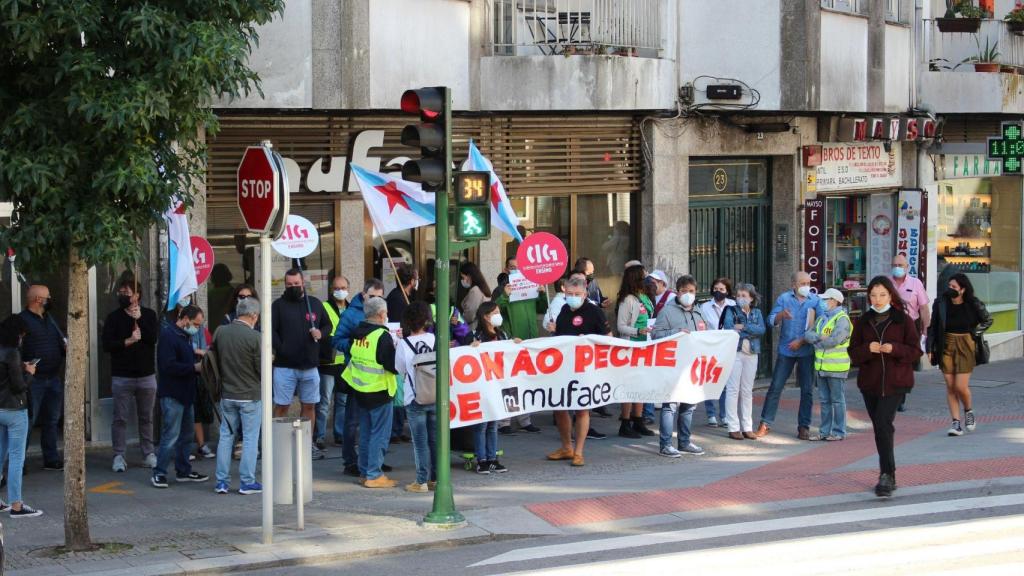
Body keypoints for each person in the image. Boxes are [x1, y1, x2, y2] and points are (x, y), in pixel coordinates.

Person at [849, 276, 921, 498]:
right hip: (870, 384)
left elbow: (916, 352)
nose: (877, 299)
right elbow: (853, 353)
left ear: (891, 295)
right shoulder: (864, 321)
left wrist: (895, 349)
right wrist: (867, 349)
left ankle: (887, 475)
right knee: (881, 427)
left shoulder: (903, 320)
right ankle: (888, 473)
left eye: (882, 295)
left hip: (895, 383)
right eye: (873, 295)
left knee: (883, 424)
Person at [548, 277, 611, 467]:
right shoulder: (564, 310)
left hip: (585, 368)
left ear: (585, 294)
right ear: (564, 293)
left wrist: (589, 339)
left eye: (577, 295)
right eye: (569, 294)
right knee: (559, 408)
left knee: (582, 409)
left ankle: (579, 452)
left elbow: (609, 338)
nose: (573, 297)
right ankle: (566, 447)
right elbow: (561, 339)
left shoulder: (595, 312)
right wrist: (555, 330)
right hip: (563, 367)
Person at [271, 268, 331, 459]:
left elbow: (327, 325)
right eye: (289, 284)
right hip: (284, 367)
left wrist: (321, 333)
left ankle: (307, 442)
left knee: (309, 406)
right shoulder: (278, 305)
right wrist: (282, 348)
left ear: (303, 283)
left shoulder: (314, 303)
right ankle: (276, 442)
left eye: (296, 284)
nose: (293, 287)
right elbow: (271, 331)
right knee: (281, 405)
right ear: (285, 284)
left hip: (310, 366)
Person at [102, 277, 160, 472]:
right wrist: (127, 340)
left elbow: (153, 338)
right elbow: (107, 345)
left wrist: (139, 318)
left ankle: (148, 452)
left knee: (146, 417)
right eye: (121, 292)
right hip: (122, 375)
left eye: (128, 292)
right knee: (120, 418)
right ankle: (119, 455)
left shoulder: (149, 315)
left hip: (146, 375)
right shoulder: (113, 318)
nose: (124, 296)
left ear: (137, 295)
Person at [756, 271, 822, 440]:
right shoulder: (784, 299)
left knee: (807, 390)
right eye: (802, 284)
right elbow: (770, 320)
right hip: (786, 351)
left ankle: (804, 427)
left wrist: (802, 341)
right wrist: (781, 315)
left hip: (806, 351)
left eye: (808, 283)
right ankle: (765, 423)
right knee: (776, 387)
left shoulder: (815, 300)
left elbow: (821, 325)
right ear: (794, 285)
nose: (806, 287)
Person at [342, 296, 399, 488]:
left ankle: (365, 471)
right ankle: (374, 475)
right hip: (379, 390)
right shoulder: (381, 336)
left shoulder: (357, 333)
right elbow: (392, 365)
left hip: (360, 389)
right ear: (382, 314)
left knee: (366, 433)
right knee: (379, 435)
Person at [927, 273, 992, 436]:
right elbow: (933, 326)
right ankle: (955, 424)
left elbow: (988, 320)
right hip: (946, 344)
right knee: (950, 386)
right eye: (949, 286)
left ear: (962, 289)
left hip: (966, 344)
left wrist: (974, 333)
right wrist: (929, 348)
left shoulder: (973, 303)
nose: (950, 290)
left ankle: (968, 411)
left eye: (954, 287)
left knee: (960, 386)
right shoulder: (941, 303)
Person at [152, 305, 209, 488]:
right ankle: (159, 472)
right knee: (171, 435)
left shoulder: (185, 336)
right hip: (172, 394)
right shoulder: (169, 336)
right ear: (184, 319)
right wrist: (193, 368)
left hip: (186, 394)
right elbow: (167, 366)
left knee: (186, 435)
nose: (197, 328)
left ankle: (183, 470)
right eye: (195, 324)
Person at [333, 279, 385, 476]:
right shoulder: (351, 314)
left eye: (379, 297)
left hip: (378, 376)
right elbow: (337, 340)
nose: (376, 301)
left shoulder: (382, 312)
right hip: (356, 374)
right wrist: (355, 346)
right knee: (353, 421)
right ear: (363, 295)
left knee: (374, 422)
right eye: (372, 297)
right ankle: (350, 461)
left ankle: (374, 460)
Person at [212, 297, 263, 495]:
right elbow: (261, 369)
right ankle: (247, 481)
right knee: (250, 438)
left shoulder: (220, 332)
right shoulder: (255, 337)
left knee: (226, 436)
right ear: (253, 316)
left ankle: (221, 482)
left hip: (227, 393)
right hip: (250, 395)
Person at [652, 275, 706, 457]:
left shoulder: (699, 313)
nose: (688, 295)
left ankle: (684, 442)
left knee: (689, 405)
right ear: (677, 292)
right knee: (670, 405)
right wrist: (676, 333)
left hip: (692, 366)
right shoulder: (667, 312)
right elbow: (656, 335)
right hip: (672, 365)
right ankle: (666, 444)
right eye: (684, 291)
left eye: (691, 291)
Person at [0, 314, 43, 517]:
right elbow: (19, 386)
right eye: (22, 335)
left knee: (0, 454)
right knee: (17, 457)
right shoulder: (12, 353)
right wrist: (30, 373)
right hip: (15, 410)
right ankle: (16, 505)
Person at [494, 258, 542, 435]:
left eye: (519, 267)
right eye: (513, 267)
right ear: (506, 269)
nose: (516, 270)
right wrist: (505, 295)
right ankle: (504, 421)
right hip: (511, 342)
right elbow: (494, 312)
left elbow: (542, 307)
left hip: (530, 341)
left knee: (525, 381)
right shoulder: (501, 289)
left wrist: (542, 293)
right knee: (509, 381)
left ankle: (524, 420)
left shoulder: (530, 286)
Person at [20, 284, 65, 470]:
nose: (50, 299)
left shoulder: (49, 319)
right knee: (28, 421)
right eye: (48, 297)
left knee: (52, 420)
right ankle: (19, 462)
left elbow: (57, 341)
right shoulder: (21, 321)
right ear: (38, 300)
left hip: (53, 377)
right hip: (34, 380)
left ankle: (51, 458)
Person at [469, 302, 517, 474]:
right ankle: (481, 459)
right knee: (482, 425)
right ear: (485, 316)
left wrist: (515, 344)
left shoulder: (502, 334)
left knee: (493, 423)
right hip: (482, 385)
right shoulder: (477, 335)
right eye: (495, 312)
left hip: (498, 385)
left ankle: (493, 459)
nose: (498, 315)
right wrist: (471, 348)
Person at [395, 302, 436, 493]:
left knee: (420, 442)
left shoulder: (404, 344)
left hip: (415, 398)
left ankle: (421, 481)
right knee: (435, 440)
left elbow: (400, 369)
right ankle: (436, 479)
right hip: (435, 395)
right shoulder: (435, 339)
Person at [804, 288, 851, 441]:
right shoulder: (822, 318)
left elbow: (835, 340)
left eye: (826, 299)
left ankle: (838, 432)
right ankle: (824, 431)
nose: (823, 302)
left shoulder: (842, 319)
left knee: (837, 401)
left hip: (837, 367)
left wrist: (817, 342)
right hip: (821, 367)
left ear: (835, 301)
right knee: (824, 401)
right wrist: (819, 337)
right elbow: (808, 335)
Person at [615, 264, 656, 439]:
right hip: (631, 345)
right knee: (629, 385)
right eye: (643, 275)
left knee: (642, 383)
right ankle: (625, 422)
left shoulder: (644, 297)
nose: (647, 277)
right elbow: (621, 326)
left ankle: (638, 420)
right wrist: (637, 331)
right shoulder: (628, 300)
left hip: (645, 344)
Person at [721, 283, 766, 440]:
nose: (740, 298)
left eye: (744, 296)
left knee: (747, 391)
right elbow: (729, 329)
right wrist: (747, 330)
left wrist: (743, 327)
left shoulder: (757, 312)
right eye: (738, 295)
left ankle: (747, 427)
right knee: (733, 389)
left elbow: (761, 330)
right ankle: (733, 427)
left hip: (752, 353)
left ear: (752, 298)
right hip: (736, 353)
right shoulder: (730, 311)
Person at [890, 255, 930, 411]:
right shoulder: (886, 283)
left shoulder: (915, 283)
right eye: (895, 264)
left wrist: (927, 330)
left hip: (909, 327)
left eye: (900, 264)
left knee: (904, 364)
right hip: (890, 326)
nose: (897, 267)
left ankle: (900, 399)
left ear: (907, 267)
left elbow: (924, 308)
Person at [316, 274, 349, 452]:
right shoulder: (324, 307)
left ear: (348, 289)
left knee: (342, 401)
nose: (340, 291)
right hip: (328, 361)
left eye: (343, 288)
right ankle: (319, 436)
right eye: (336, 288)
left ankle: (339, 435)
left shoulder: (351, 309)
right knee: (324, 402)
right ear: (331, 290)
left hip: (345, 362)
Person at [699, 277, 735, 427]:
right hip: (710, 347)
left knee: (725, 383)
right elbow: (701, 326)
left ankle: (724, 415)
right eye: (716, 289)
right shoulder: (705, 307)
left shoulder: (733, 305)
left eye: (722, 289)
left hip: (727, 347)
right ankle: (711, 414)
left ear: (727, 291)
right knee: (710, 381)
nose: (718, 292)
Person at [458, 262, 491, 328]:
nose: (462, 280)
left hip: (474, 328)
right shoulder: (481, 288)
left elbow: (470, 315)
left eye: (463, 277)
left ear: (469, 276)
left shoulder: (475, 290)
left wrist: (459, 321)